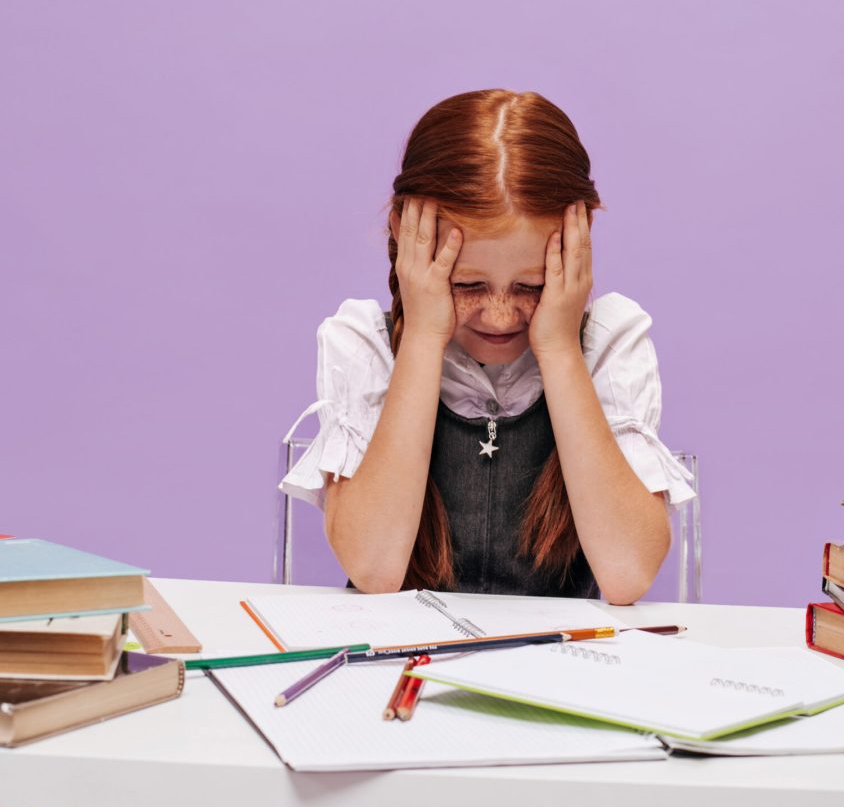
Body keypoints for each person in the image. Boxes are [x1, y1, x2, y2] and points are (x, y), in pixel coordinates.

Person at [280, 89, 695, 604]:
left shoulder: (607, 344)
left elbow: (628, 574)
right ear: (406, 234)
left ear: (578, 243)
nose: (499, 316)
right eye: (468, 285)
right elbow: (375, 569)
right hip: (404, 666)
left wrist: (561, 350)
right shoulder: (364, 343)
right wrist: (426, 337)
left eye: (531, 287)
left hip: (562, 668)